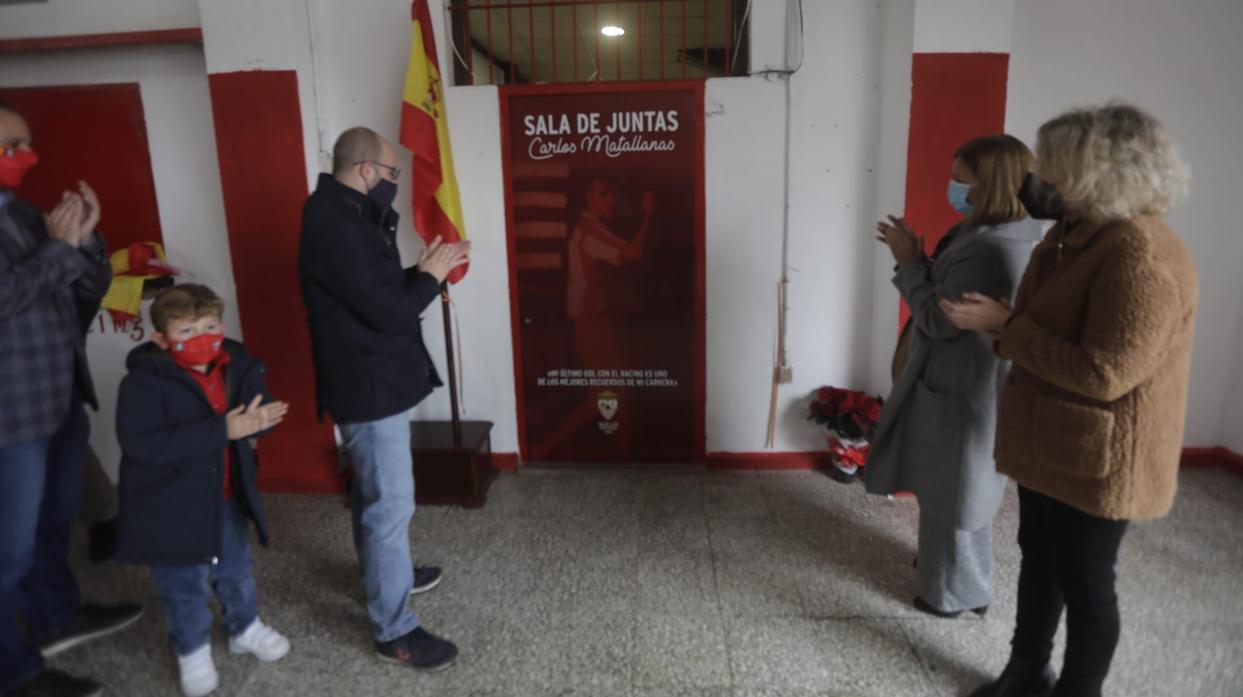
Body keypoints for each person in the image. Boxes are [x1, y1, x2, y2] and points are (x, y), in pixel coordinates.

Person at [941, 103, 1197, 697]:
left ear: (1097, 174)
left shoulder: (1139, 254)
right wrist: (1008, 323)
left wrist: (1008, 325)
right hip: (1051, 443)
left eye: (1054, 167)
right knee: (1039, 561)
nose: (1041, 180)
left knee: (1085, 581)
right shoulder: (1071, 235)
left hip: (1101, 457)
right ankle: (1026, 669)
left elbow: (1106, 372)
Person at [298, 127, 469, 672]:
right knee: (390, 505)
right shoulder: (337, 224)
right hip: (366, 385)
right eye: (392, 174)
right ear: (366, 170)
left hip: (372, 377)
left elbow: (372, 291)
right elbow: (387, 312)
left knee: (377, 498)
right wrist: (430, 280)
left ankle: (384, 575)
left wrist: (419, 272)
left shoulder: (343, 214)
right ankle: (394, 630)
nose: (395, 184)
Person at [864, 135, 1043, 619]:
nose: (953, 187)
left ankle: (951, 595)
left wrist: (907, 262)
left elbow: (940, 320)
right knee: (954, 489)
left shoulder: (990, 249)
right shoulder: (994, 231)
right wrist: (920, 260)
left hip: (965, 386)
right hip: (958, 382)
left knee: (958, 495)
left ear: (990, 185)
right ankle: (959, 579)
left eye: (961, 179)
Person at [0, 101, 143, 697]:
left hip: (57, 397)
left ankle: (56, 615)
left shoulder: (27, 214)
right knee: (7, 548)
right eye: (9, 147)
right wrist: (57, 252)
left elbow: (83, 290)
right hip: (9, 417)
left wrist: (85, 243)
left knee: (56, 518)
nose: (23, 158)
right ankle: (13, 672)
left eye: (25, 145)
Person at [114, 285, 292, 697]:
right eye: (188, 330)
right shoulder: (142, 383)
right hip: (169, 506)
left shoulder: (235, 364)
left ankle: (243, 626)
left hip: (226, 495)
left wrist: (262, 418)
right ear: (162, 338)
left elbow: (260, 403)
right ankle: (191, 648)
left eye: (209, 326)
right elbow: (142, 444)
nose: (202, 338)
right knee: (183, 583)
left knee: (235, 569)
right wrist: (222, 430)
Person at [530, 177, 655, 461]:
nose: (610, 200)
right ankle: (621, 461)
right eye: (603, 194)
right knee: (613, 395)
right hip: (592, 324)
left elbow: (621, 259)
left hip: (597, 322)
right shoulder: (589, 231)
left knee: (604, 397)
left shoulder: (592, 231)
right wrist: (649, 215)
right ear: (588, 198)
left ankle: (547, 448)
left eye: (610, 194)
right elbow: (634, 252)